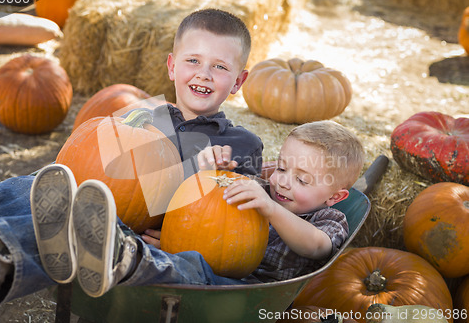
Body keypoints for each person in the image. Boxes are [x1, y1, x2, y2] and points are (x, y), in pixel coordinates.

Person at [0, 8, 263, 309]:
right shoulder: (142, 119)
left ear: (238, 82)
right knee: (38, 187)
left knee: (79, 223)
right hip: (91, 213)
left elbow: (239, 229)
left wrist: (212, 178)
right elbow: (90, 170)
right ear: (172, 67)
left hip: (132, 245)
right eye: (193, 60)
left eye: (219, 67)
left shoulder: (240, 145)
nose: (204, 73)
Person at [29, 119, 364, 298]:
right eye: (282, 168)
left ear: (335, 196)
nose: (284, 182)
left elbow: (317, 247)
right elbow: (209, 216)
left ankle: (120, 259)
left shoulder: (327, 219)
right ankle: (95, 245)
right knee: (168, 251)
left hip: (243, 293)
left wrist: (270, 210)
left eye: (302, 180)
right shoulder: (263, 190)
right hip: (203, 264)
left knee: (193, 270)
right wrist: (212, 172)